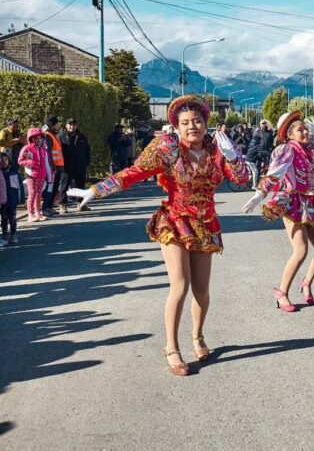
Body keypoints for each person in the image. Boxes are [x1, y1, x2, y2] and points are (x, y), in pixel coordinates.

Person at [67, 95, 249, 376]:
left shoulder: (217, 150)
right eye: (185, 123)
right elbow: (134, 172)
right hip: (175, 220)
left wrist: (234, 156)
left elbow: (240, 180)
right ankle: (171, 347)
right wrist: (96, 190)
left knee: (201, 289)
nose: (192, 127)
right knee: (180, 285)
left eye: (197, 121)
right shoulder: (168, 149)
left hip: (205, 222)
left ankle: (198, 336)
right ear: (176, 126)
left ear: (205, 123)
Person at [242, 111, 314, 312]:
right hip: (292, 201)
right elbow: (274, 175)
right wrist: (260, 195)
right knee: (301, 250)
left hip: (312, 202)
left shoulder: (310, 151)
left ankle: (307, 282)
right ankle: (282, 292)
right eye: (300, 129)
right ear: (290, 134)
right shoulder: (287, 150)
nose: (305, 132)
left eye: (306, 128)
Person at [58, 118, 91, 211]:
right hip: (66, 166)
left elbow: (87, 150)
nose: (72, 126)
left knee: (80, 186)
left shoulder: (82, 136)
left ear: (76, 126)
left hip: (80, 165)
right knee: (64, 186)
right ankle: (63, 205)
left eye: (74, 124)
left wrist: (86, 161)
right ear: (66, 125)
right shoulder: (61, 137)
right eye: (70, 124)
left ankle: (81, 204)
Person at [18, 127, 48, 223]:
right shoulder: (27, 148)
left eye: (40, 138)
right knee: (32, 193)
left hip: (41, 175)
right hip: (30, 174)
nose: (39, 140)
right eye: (36, 138)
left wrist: (45, 173)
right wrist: (31, 162)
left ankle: (38, 213)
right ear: (32, 138)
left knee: (38, 194)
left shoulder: (43, 149)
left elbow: (45, 162)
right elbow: (20, 161)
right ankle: (30, 214)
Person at [42, 115, 64, 216]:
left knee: (54, 188)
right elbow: (49, 152)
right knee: (50, 188)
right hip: (53, 167)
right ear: (52, 125)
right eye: (57, 124)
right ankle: (46, 207)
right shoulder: (47, 135)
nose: (59, 125)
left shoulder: (53, 134)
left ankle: (49, 207)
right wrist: (52, 165)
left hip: (58, 165)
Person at [1, 152, 23, 244]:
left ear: (9, 160)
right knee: (4, 218)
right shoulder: (0, 172)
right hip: (3, 200)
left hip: (12, 199)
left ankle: (13, 234)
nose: (4, 162)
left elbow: (19, 186)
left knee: (12, 218)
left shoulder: (13, 171)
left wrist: (20, 198)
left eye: (6, 160)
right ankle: (5, 234)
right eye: (1, 160)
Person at [245, 119, 275, 188]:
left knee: (268, 167)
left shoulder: (269, 132)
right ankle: (254, 182)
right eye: (262, 124)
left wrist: (271, 150)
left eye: (265, 123)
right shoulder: (257, 132)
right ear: (260, 125)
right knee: (257, 168)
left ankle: (264, 182)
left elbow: (271, 142)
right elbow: (253, 142)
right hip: (259, 152)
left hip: (267, 152)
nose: (264, 125)